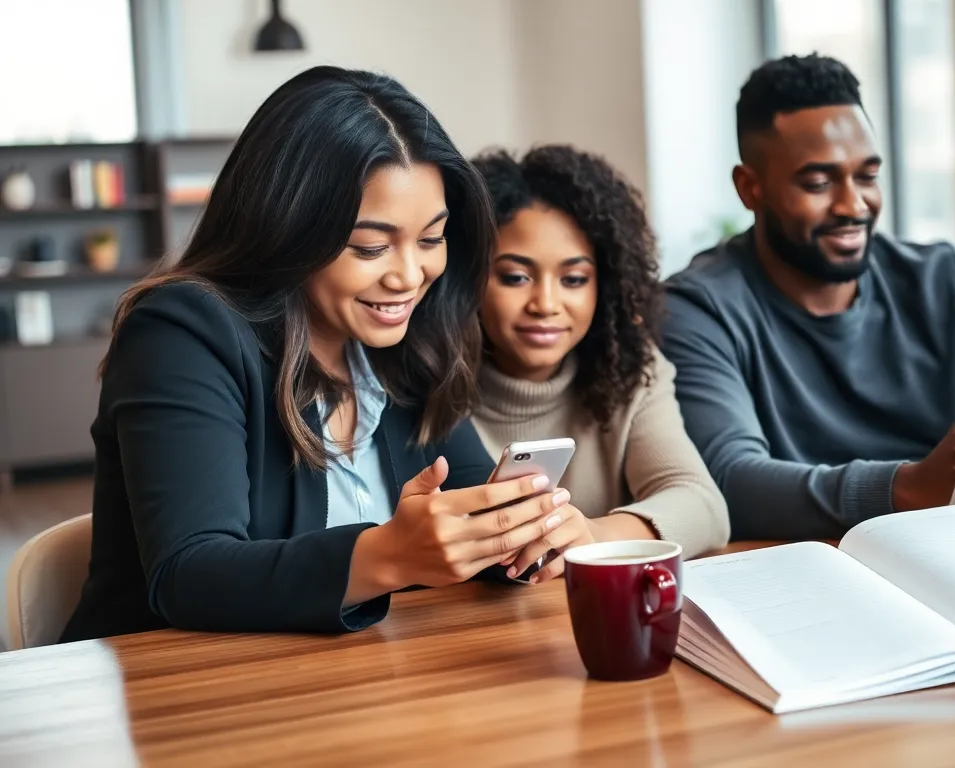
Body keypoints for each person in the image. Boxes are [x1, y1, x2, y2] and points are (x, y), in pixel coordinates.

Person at [61, 66, 575, 643]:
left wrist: (522, 536)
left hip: (352, 691)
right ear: (288, 230)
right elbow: (188, 573)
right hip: (173, 695)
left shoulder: (407, 348)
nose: (409, 275)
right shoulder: (181, 331)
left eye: (431, 239)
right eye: (370, 246)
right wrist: (388, 556)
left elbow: (472, 513)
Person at [660, 54, 955, 541]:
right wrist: (904, 487)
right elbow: (728, 480)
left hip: (941, 544)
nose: (853, 205)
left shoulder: (942, 281)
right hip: (793, 564)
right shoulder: (697, 309)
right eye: (818, 183)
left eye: (866, 176)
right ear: (750, 188)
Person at [468, 145, 730, 576]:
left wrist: (593, 535)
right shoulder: (424, 379)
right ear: (468, 277)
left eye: (574, 279)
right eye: (515, 277)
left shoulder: (631, 370)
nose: (546, 304)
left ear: (603, 285)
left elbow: (703, 505)